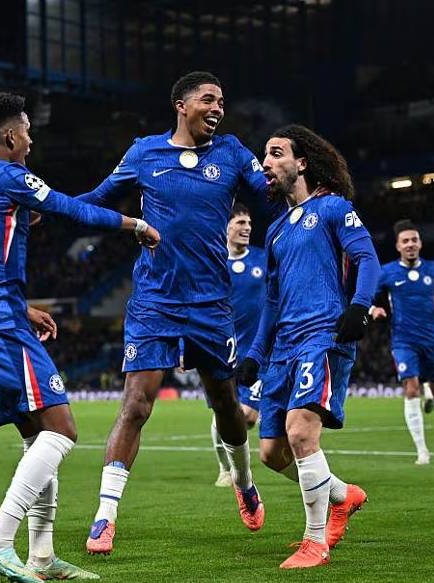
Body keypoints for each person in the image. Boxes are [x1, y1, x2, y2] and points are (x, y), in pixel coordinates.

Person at [0, 92, 160, 583]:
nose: (31, 140)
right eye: (26, 130)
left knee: (37, 434)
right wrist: (135, 224)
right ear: (9, 136)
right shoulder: (9, 175)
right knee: (62, 429)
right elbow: (70, 209)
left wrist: (22, 306)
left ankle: (41, 555)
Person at [76, 71, 275, 555]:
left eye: (222, 101)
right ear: (181, 105)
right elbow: (98, 199)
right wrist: (45, 206)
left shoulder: (231, 152)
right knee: (136, 405)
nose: (218, 108)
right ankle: (105, 515)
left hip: (211, 305)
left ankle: (244, 482)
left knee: (225, 404)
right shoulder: (144, 152)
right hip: (154, 302)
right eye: (208, 99)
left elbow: (272, 192)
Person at [237, 124, 380, 569]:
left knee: (301, 433)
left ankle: (315, 542)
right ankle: (342, 495)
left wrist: (359, 306)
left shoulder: (333, 208)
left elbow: (368, 258)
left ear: (301, 163)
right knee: (271, 453)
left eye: (276, 153)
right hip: (283, 346)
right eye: (264, 155)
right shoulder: (276, 231)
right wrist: (255, 355)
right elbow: (272, 301)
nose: (265, 163)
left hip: (322, 336)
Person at [370, 220, 434, 466]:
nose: (410, 244)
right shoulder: (387, 272)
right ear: (398, 246)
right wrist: (374, 310)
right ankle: (422, 451)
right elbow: (372, 298)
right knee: (410, 388)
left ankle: (431, 392)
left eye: (414, 240)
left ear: (420, 243)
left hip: (431, 341)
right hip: (403, 340)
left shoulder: (432, 268)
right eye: (405, 241)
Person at [210, 204, 265, 487]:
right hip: (222, 350)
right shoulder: (214, 263)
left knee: (247, 416)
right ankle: (225, 469)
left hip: (258, 352)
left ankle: (237, 470)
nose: (247, 228)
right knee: (224, 411)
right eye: (241, 223)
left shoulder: (262, 259)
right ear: (226, 226)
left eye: (249, 223)